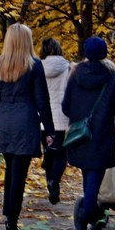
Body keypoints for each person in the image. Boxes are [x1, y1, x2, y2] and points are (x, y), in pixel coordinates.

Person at [0, 24, 56, 230]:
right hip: (25, 121)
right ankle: (12, 219)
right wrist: (50, 130)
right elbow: (42, 100)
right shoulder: (34, 66)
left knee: (10, 170)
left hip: (4, 121)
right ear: (26, 41)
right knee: (19, 174)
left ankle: (8, 213)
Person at [61, 36, 115, 230]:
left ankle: (92, 216)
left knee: (88, 179)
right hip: (101, 137)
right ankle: (85, 218)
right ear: (105, 53)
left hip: (80, 137)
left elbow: (65, 107)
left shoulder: (75, 75)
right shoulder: (111, 77)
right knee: (93, 180)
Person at [39, 37, 72, 205]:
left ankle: (50, 185)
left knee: (49, 153)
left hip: (44, 120)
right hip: (62, 119)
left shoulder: (37, 68)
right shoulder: (68, 68)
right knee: (61, 155)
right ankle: (54, 181)